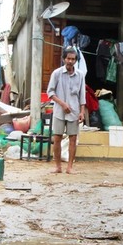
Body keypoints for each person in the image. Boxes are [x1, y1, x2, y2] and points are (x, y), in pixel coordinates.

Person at [47, 46, 86, 174]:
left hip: (74, 112)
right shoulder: (57, 73)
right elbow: (50, 92)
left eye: (73, 59)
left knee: (73, 139)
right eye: (68, 58)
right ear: (64, 59)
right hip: (59, 111)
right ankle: (58, 166)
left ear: (75, 60)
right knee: (57, 138)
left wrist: (81, 112)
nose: (70, 61)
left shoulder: (80, 75)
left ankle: (70, 167)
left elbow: (82, 95)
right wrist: (62, 104)